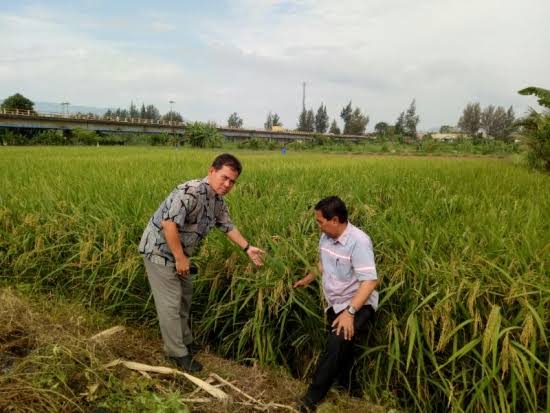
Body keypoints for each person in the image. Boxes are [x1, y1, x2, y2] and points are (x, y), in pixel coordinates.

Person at [139, 153, 264, 372]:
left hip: (181, 256)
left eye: (232, 181)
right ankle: (176, 353)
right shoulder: (190, 191)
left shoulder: (217, 200)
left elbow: (227, 226)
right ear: (211, 171)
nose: (227, 184)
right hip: (160, 251)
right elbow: (169, 224)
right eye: (224, 177)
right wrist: (179, 258)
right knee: (170, 303)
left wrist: (247, 247)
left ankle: (185, 341)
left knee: (185, 297)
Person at [293, 196, 379, 412]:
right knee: (344, 348)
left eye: (321, 221)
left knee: (335, 344)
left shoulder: (358, 241)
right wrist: (308, 279)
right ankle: (349, 388)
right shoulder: (326, 237)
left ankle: (311, 398)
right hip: (335, 303)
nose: (318, 226)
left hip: (357, 303)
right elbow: (323, 264)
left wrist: (350, 313)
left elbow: (370, 281)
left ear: (336, 220)